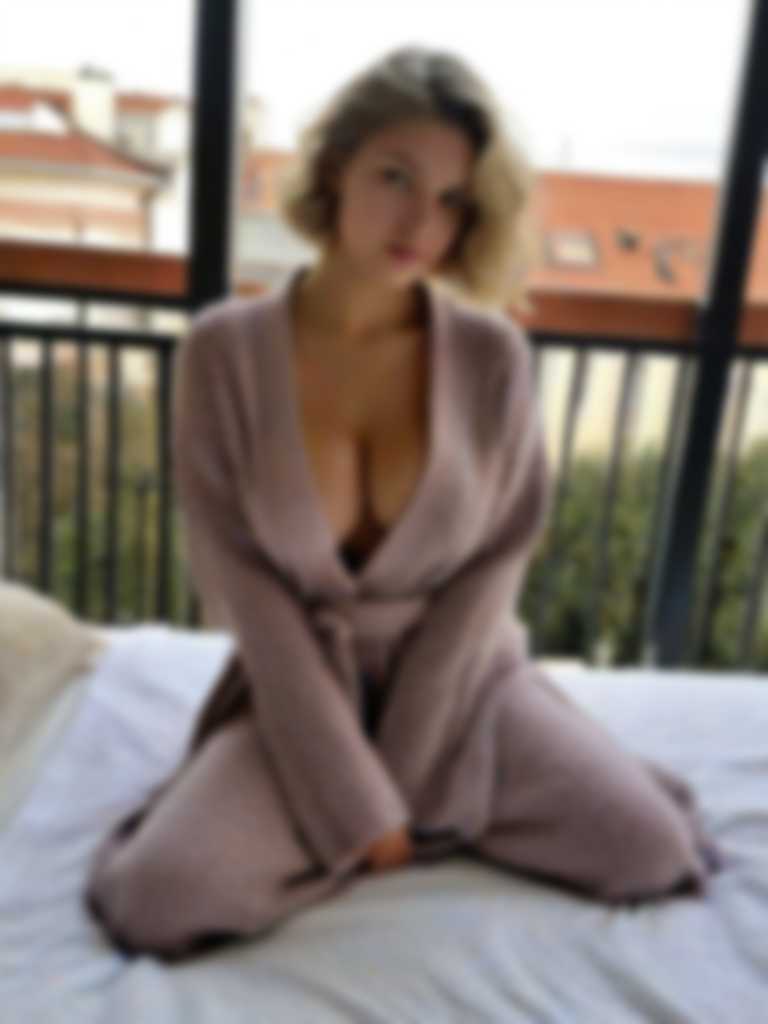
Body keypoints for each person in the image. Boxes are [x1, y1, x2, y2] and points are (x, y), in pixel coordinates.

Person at [83, 44, 723, 962]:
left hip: (460, 676)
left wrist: (405, 781)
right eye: (395, 177)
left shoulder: (492, 358)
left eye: (453, 199)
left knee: (649, 852)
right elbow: (245, 592)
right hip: (299, 689)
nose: (421, 222)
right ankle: (403, 819)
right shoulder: (223, 354)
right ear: (336, 167)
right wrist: (356, 800)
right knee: (158, 901)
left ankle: (410, 816)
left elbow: (495, 561)